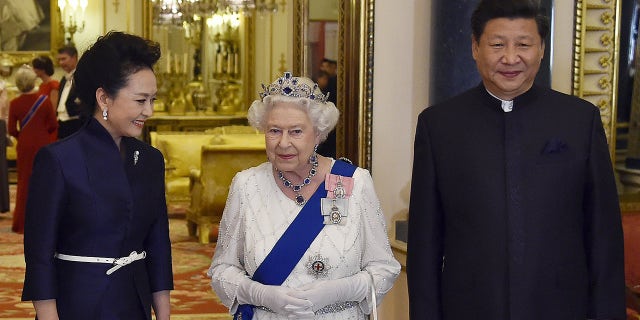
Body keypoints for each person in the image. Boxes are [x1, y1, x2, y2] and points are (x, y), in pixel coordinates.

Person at [407, 1, 625, 319]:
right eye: (497, 45)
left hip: (561, 308)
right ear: (475, 48)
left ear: (541, 49)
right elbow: (425, 246)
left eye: (524, 44)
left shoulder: (579, 121)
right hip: (470, 308)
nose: (511, 58)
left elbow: (603, 237)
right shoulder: (438, 125)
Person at [208, 72, 400, 319]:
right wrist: (261, 295)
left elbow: (384, 268)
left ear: (318, 134)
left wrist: (339, 290)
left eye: (296, 131)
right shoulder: (246, 185)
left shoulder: (354, 182)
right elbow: (223, 270)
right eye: (274, 131)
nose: (283, 143)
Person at [21, 31, 173, 320]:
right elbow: (39, 256)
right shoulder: (58, 160)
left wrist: (164, 316)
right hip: (78, 302)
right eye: (140, 100)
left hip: (134, 301)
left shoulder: (150, 160)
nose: (149, 111)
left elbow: (158, 246)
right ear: (104, 97)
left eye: (153, 99)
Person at [7, 65, 57, 233]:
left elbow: (11, 130)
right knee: (44, 182)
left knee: (24, 182)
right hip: (43, 143)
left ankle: (21, 224)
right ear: (33, 81)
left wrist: (23, 136)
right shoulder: (44, 100)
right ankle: (43, 222)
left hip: (24, 145)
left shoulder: (14, 103)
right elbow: (52, 125)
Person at [56, 45, 84, 139]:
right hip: (61, 123)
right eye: (59, 60)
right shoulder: (64, 79)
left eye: (64, 59)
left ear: (74, 57)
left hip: (76, 123)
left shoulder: (82, 76)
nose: (61, 63)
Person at [32, 55, 60, 139]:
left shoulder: (53, 85)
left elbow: (53, 109)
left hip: (49, 124)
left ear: (42, 69)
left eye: (35, 68)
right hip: (41, 123)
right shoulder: (41, 85)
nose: (33, 70)